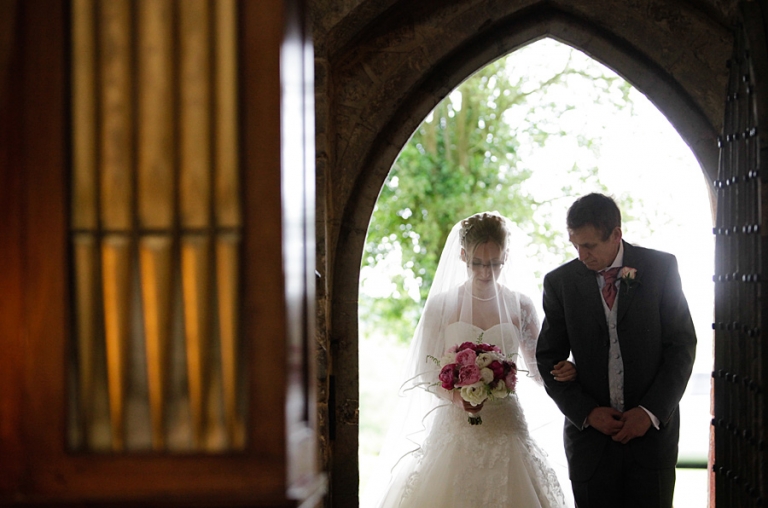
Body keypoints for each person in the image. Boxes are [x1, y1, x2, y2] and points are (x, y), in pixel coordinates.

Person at [362, 211, 574, 508]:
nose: (486, 272)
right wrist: (457, 398)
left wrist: (564, 370)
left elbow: (539, 369)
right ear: (463, 255)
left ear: (506, 257)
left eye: (494, 263)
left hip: (506, 424)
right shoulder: (441, 306)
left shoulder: (520, 306)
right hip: (455, 425)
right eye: (477, 263)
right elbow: (426, 371)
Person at [536, 193, 697, 508]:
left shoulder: (661, 268)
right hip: (590, 445)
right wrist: (587, 413)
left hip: (651, 440)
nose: (582, 255)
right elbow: (548, 358)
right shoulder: (560, 282)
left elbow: (681, 346)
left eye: (590, 246)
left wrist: (649, 413)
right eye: (575, 246)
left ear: (616, 235)